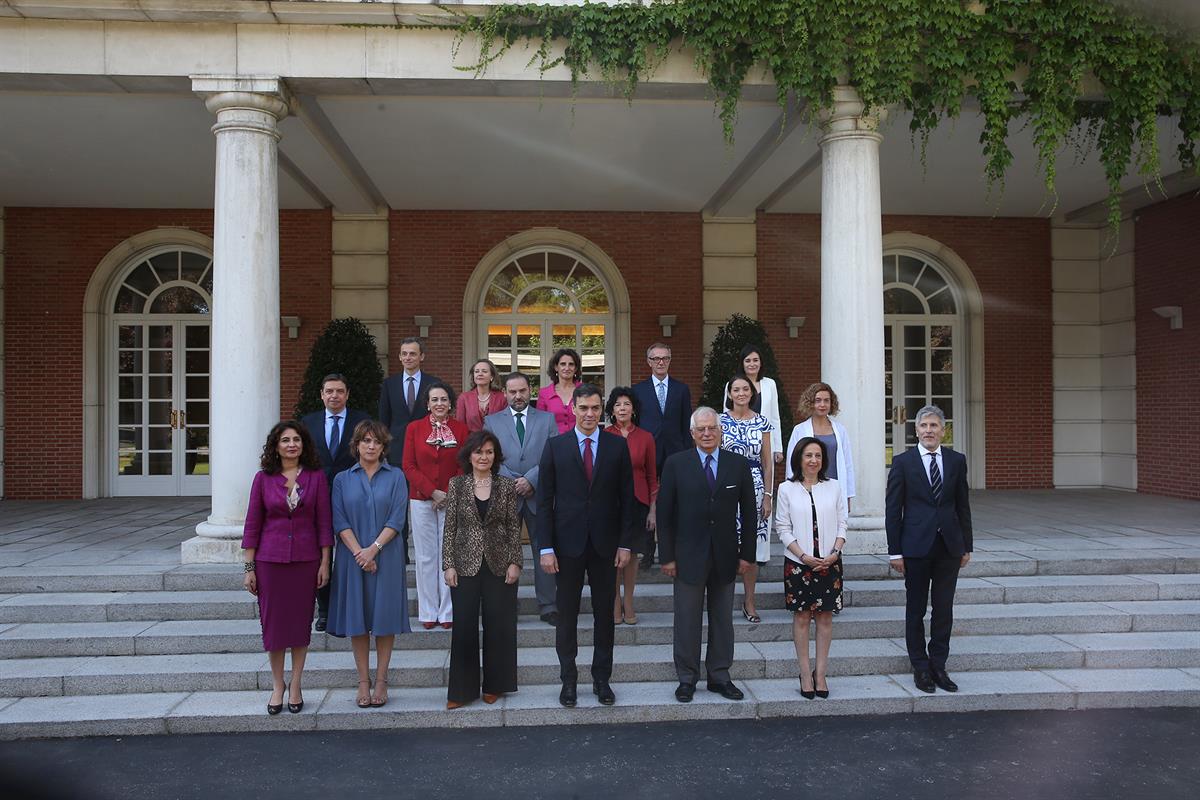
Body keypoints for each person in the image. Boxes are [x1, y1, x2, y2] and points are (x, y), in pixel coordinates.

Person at [536, 384, 635, 708]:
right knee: (566, 617)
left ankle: (601, 679)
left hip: (606, 547)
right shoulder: (556, 447)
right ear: (574, 410)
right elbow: (545, 500)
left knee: (604, 616)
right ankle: (569, 680)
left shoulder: (616, 447)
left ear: (601, 411)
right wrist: (546, 548)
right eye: (584, 408)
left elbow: (627, 501)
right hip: (567, 547)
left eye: (595, 409)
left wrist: (625, 544)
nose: (590, 414)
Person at [657, 407, 756, 703]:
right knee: (686, 620)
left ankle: (720, 676)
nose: (707, 433)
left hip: (726, 555)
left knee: (722, 619)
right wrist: (667, 557)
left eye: (712, 428)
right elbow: (665, 515)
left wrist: (746, 555)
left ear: (720, 429)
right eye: (701, 429)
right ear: (692, 433)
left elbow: (749, 514)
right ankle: (687, 678)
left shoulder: (737, 465)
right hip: (687, 556)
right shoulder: (676, 464)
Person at [241, 421, 332, 716]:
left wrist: (325, 562)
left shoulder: (316, 477)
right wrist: (249, 567)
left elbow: (324, 523)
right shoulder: (263, 479)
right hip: (270, 562)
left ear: (303, 445)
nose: (291, 444)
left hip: (306, 562)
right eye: (285, 440)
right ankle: (277, 685)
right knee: (275, 625)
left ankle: (296, 684)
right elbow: (253, 523)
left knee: (299, 625)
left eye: (296, 440)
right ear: (276, 446)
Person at [885, 404, 973, 694]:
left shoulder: (956, 460)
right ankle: (920, 667)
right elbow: (892, 509)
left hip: (949, 546)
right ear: (916, 430)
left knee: (944, 609)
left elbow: (963, 505)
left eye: (934, 426)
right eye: (924, 426)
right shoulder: (903, 462)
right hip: (915, 547)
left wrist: (966, 545)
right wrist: (894, 551)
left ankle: (939, 665)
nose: (929, 431)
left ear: (943, 430)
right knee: (916, 609)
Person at [327, 420, 410, 708]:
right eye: (365, 441)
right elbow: (339, 520)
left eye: (376, 441)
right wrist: (360, 553)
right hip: (353, 559)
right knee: (358, 620)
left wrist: (373, 550)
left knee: (384, 620)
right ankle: (363, 681)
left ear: (384, 446)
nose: (371, 446)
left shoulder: (396, 476)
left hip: (386, 555)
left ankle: (382, 680)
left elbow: (397, 519)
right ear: (357, 445)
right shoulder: (342, 479)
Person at [443, 429, 523, 709]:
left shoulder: (505, 486)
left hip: (500, 564)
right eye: (479, 452)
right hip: (464, 564)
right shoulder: (457, 485)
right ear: (469, 455)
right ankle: (461, 691)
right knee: (464, 627)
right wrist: (448, 564)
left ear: (495, 456)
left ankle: (495, 685)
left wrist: (516, 561)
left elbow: (513, 526)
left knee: (499, 626)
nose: (484, 456)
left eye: (489, 452)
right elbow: (450, 527)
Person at [483, 372, 560, 625]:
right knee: (505, 551)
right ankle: (507, 602)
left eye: (522, 391)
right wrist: (513, 481)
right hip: (505, 494)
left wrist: (531, 480)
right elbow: (489, 456)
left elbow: (552, 454)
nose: (518, 396)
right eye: (512, 392)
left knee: (544, 549)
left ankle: (548, 605)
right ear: (504, 393)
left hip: (538, 494)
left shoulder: (547, 419)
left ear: (530, 391)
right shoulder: (492, 421)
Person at [776, 437, 847, 699]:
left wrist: (835, 553)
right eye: (808, 455)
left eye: (818, 455)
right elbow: (782, 528)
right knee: (803, 617)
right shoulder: (786, 489)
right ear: (799, 459)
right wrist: (803, 556)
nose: (813, 460)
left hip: (830, 563)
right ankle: (805, 674)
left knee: (825, 618)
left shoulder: (834, 487)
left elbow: (842, 523)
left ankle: (821, 673)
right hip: (799, 564)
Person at [301, 372, 371, 632]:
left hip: (353, 496)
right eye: (329, 391)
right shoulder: (307, 423)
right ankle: (326, 611)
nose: (334, 395)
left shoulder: (361, 420)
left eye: (339, 391)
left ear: (347, 394)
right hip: (316, 496)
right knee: (322, 553)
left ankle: (355, 607)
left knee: (352, 550)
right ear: (321, 394)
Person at [402, 381, 467, 630]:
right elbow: (408, 465)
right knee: (426, 555)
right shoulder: (414, 429)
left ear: (450, 403)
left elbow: (465, 464)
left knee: (449, 554)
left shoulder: (461, 430)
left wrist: (449, 493)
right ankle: (428, 610)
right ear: (427, 404)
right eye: (434, 400)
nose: (439, 404)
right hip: (421, 499)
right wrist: (431, 492)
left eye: (444, 399)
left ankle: (448, 611)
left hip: (453, 499)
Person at [718, 373, 774, 625]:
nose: (741, 393)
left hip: (754, 486)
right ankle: (722, 600)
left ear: (752, 394)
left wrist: (768, 495)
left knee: (750, 544)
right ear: (729, 394)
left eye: (745, 389)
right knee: (724, 542)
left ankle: (749, 600)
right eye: (736, 389)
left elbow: (767, 461)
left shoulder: (762, 422)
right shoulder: (719, 422)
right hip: (726, 486)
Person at [632, 342, 692, 568]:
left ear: (670, 360)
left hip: (676, 454)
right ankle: (647, 552)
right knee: (647, 502)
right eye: (656, 358)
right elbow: (636, 425)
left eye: (664, 358)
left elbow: (687, 423)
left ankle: (671, 551)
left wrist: (689, 454)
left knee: (673, 502)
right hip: (647, 453)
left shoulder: (681, 389)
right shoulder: (637, 390)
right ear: (648, 362)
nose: (660, 362)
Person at [603, 386, 657, 625]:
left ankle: (629, 601)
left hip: (638, 501)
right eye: (618, 405)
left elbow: (652, 476)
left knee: (632, 554)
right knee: (613, 553)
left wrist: (653, 509)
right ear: (612, 410)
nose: (622, 408)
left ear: (633, 409)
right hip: (610, 502)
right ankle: (614, 600)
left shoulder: (645, 437)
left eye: (626, 404)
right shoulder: (604, 434)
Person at [785, 382, 856, 507]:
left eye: (826, 401)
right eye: (818, 400)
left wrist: (848, 494)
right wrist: (791, 490)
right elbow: (792, 462)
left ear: (831, 403)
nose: (822, 405)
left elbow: (847, 463)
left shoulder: (840, 430)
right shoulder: (799, 430)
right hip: (807, 488)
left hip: (835, 489)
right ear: (810, 403)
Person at [379, 337, 441, 467]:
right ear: (400, 357)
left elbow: (439, 416)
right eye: (404, 354)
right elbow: (384, 419)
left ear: (421, 356)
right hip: (396, 449)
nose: (408, 357)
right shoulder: (389, 384)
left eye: (412, 354)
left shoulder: (434, 383)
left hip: (426, 447)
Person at [722, 345, 783, 467]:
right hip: (738, 442)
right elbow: (727, 415)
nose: (752, 364)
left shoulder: (770, 384)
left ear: (761, 363)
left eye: (755, 360)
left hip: (764, 441)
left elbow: (775, 418)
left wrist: (778, 447)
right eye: (748, 360)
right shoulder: (732, 384)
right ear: (742, 363)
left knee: (765, 473)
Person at [536, 347, 582, 434]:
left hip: (580, 442)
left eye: (571, 364)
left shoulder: (585, 391)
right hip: (554, 442)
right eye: (563, 364)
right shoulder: (544, 393)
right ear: (556, 367)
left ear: (575, 368)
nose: (567, 368)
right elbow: (540, 424)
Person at [456, 358, 507, 433]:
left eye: (484, 371)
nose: (480, 374)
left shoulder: (502, 398)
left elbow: (506, 424)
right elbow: (460, 426)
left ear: (492, 377)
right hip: (472, 442)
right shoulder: (464, 398)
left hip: (497, 441)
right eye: (476, 371)